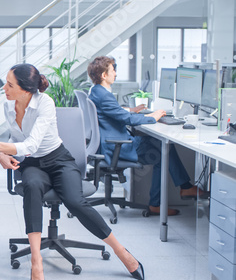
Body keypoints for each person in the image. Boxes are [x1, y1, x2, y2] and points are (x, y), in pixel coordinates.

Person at [0, 63, 144, 280]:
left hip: (58, 160)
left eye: (9, 85)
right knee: (32, 186)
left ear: (25, 89)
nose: (4, 89)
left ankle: (122, 252)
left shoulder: (45, 103)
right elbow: (16, 139)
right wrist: (3, 154)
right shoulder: (9, 106)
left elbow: (33, 144)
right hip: (32, 164)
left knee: (75, 201)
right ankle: (37, 262)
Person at [87, 56, 208, 216]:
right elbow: (127, 119)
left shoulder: (96, 91)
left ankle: (175, 193)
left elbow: (114, 112)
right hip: (117, 146)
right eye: (113, 70)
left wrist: (131, 109)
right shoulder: (104, 95)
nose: (115, 73)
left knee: (159, 148)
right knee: (163, 150)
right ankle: (180, 191)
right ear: (104, 75)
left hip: (110, 143)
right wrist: (153, 117)